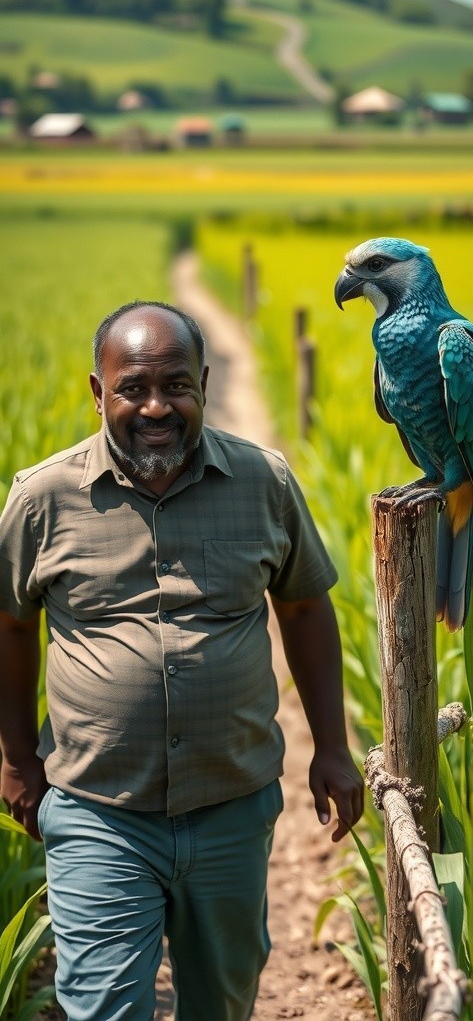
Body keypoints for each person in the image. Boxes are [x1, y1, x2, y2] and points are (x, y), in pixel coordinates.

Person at [0, 300, 364, 1021]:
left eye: (176, 385)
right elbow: (10, 625)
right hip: (99, 808)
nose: (156, 406)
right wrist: (14, 755)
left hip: (230, 803)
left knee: (222, 1001)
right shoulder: (42, 500)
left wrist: (332, 747)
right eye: (133, 387)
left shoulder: (264, 483)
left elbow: (303, 607)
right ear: (98, 391)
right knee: (102, 1006)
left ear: (205, 382)